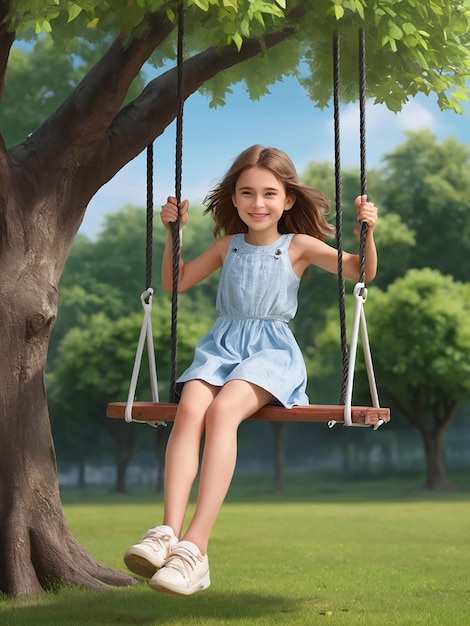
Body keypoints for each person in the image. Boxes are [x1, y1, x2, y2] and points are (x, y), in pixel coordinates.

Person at [123, 145, 378, 596]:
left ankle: (195, 549)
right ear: (235, 199)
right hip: (221, 349)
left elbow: (360, 272)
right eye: (246, 193)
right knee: (190, 409)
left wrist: (366, 233)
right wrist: (173, 234)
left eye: (268, 194)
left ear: (288, 200)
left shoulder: (297, 246)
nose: (257, 203)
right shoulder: (228, 246)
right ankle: (167, 531)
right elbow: (173, 282)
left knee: (222, 413)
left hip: (271, 354)